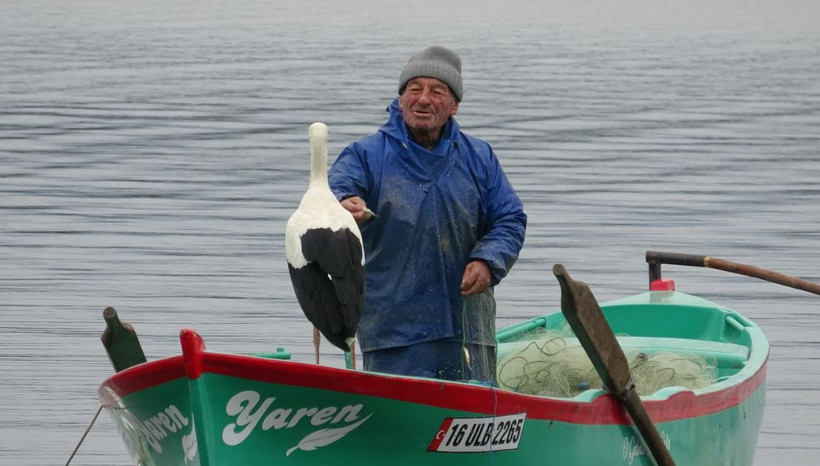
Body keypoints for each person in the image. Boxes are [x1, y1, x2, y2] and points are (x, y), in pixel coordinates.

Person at [328, 45, 526, 383]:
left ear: (454, 105)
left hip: (469, 331)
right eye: (414, 88)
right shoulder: (364, 155)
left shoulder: (479, 157)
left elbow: (509, 219)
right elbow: (333, 191)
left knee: (473, 409)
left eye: (437, 91)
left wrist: (488, 260)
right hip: (394, 335)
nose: (423, 99)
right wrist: (344, 203)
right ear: (401, 98)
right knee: (398, 410)